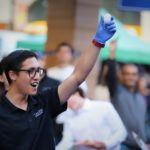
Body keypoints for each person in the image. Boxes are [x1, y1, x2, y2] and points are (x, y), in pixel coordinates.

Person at [0, 15, 116, 150]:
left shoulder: (43, 100)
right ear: (12, 74)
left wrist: (98, 41)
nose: (37, 77)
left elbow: (77, 76)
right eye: (31, 71)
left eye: (39, 71)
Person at [56, 88, 127, 150]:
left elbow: (121, 132)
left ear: (77, 93)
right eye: (63, 102)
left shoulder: (104, 107)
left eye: (68, 98)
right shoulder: (67, 118)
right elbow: (66, 142)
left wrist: (105, 144)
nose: (67, 103)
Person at [107, 63, 147, 150]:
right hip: (123, 144)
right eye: (127, 74)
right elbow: (110, 76)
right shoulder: (117, 92)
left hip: (141, 145)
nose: (131, 77)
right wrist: (112, 57)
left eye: (134, 74)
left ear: (137, 77)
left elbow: (145, 122)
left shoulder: (141, 98)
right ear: (121, 76)